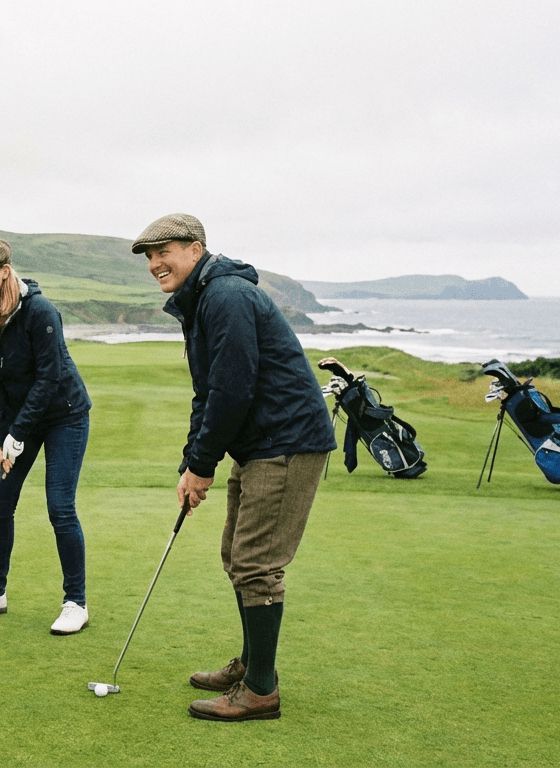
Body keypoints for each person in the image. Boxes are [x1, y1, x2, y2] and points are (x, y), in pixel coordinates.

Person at [133, 213, 335, 721]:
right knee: (236, 554)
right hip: (260, 443)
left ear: (195, 250)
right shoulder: (202, 301)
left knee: (256, 564)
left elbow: (233, 391)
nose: (156, 264)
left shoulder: (224, 297)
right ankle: (252, 664)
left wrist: (204, 466)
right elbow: (209, 392)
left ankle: (261, 691)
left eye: (166, 252)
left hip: (284, 441)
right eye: (150, 257)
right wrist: (191, 463)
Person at [0, 235, 93, 635]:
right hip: (16, 422)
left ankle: (75, 603)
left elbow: (50, 377)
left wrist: (17, 434)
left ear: (4, 271)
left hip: (65, 415)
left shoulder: (40, 311)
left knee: (60, 507)